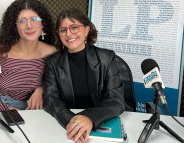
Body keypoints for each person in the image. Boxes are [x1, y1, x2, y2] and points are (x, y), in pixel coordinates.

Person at [43, 8, 125, 143]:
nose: (68, 34)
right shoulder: (53, 61)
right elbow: (50, 98)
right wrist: (71, 122)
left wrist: (89, 118)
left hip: (99, 124)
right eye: (63, 30)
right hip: (69, 129)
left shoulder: (106, 57)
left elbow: (116, 100)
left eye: (74, 27)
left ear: (86, 30)